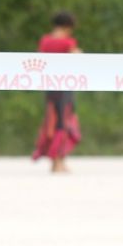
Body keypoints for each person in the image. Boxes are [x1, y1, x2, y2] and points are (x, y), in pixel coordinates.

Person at [32, 11, 82, 173]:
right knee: (64, 123)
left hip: (50, 87)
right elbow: (78, 58)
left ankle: (54, 161)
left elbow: (39, 58)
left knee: (52, 122)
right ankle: (59, 161)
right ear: (68, 26)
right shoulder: (68, 42)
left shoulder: (45, 41)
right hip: (64, 86)